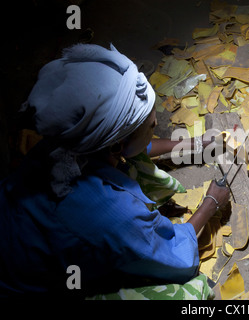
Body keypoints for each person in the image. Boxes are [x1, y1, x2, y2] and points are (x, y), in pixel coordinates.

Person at [0, 44, 230, 298]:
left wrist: (196, 145)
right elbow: (177, 258)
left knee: (132, 163)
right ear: (118, 143)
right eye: (152, 126)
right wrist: (211, 204)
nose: (156, 127)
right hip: (36, 288)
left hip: (24, 241)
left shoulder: (67, 144)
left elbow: (136, 146)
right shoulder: (112, 214)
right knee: (188, 289)